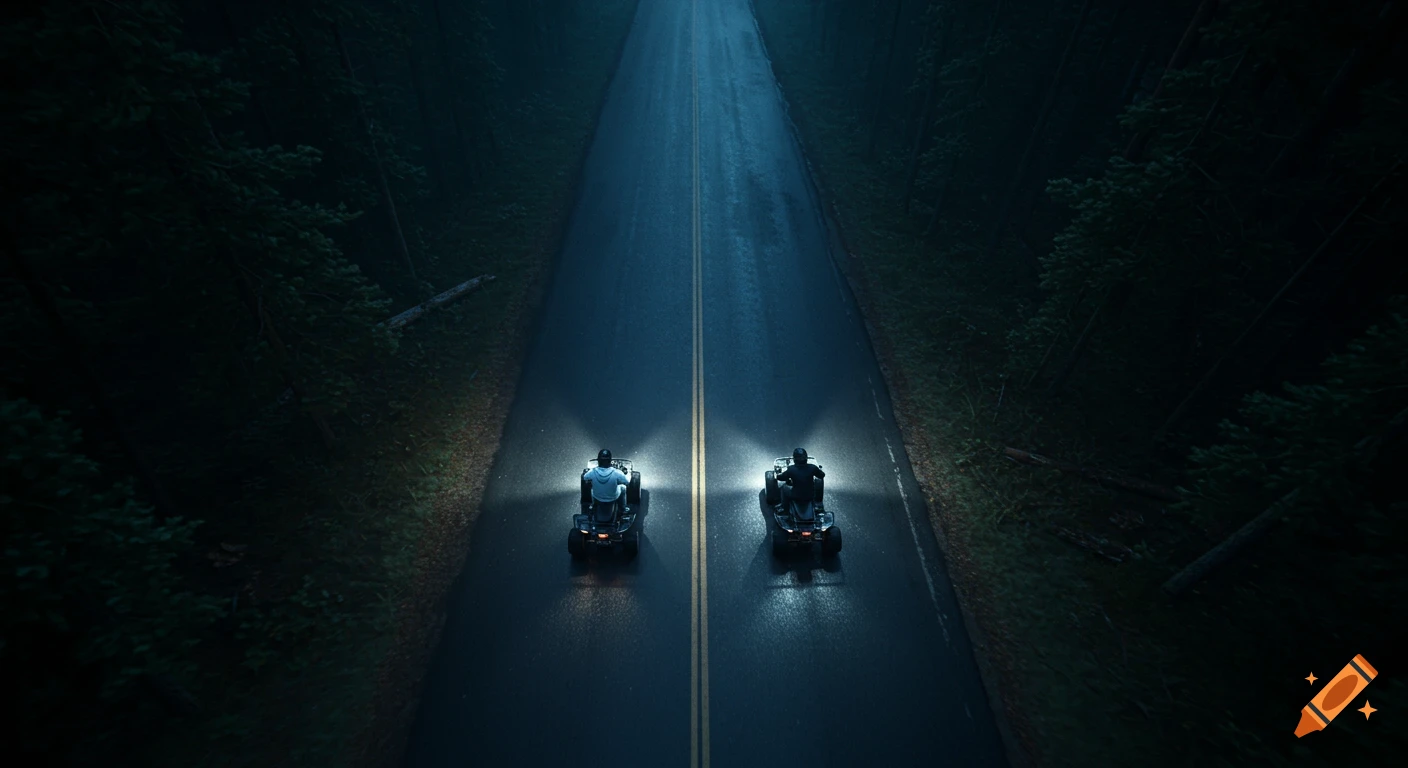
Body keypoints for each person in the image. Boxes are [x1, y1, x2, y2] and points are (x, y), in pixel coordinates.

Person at [584, 448, 630, 515]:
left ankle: (594, 505)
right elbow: (627, 481)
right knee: (623, 487)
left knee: (592, 488)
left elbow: (585, 477)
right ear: (609, 461)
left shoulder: (592, 471)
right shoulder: (616, 472)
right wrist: (627, 473)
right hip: (613, 498)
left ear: (599, 460)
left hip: (598, 498)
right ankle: (623, 508)